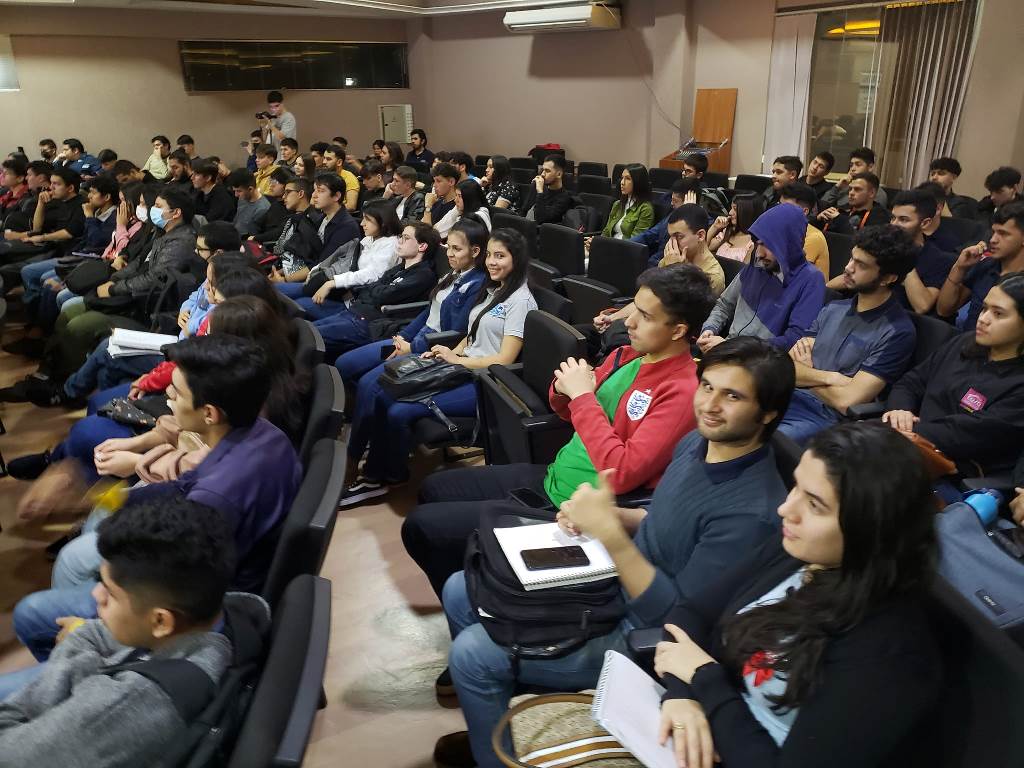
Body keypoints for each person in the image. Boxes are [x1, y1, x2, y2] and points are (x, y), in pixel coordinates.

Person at [435, 336, 796, 768]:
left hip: (640, 632)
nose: (710, 404)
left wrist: (610, 533)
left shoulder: (750, 514)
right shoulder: (698, 444)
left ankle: (493, 736)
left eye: (732, 395)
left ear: (768, 413)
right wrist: (616, 516)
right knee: (461, 586)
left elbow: (676, 619)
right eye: (707, 386)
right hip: (613, 583)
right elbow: (667, 525)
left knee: (472, 656)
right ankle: (492, 718)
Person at [403, 262, 716, 596]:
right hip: (553, 476)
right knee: (434, 488)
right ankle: (487, 583)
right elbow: (566, 408)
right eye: (634, 310)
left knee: (422, 528)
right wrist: (568, 387)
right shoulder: (627, 355)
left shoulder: (681, 391)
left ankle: (485, 599)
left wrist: (582, 395)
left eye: (646, 317)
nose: (630, 321)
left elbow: (622, 471)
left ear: (679, 331)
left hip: (574, 508)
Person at [654, 422, 940, 768]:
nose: (786, 510)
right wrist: (683, 698)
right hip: (687, 732)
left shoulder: (889, 652)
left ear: (871, 528)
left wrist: (704, 680)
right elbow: (690, 614)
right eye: (796, 488)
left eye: (815, 505)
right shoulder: (799, 550)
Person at [10, 334, 302, 661]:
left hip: (208, 614)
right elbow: (182, 486)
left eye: (176, 392)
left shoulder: (215, 498)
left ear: (209, 413)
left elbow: (180, 597)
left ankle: (83, 666)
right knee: (95, 538)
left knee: (32, 612)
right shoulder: (263, 434)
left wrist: (90, 631)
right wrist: (98, 500)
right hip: (215, 570)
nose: (167, 395)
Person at [0, 496, 259, 764]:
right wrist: (83, 641)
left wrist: (76, 659)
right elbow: (96, 633)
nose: (96, 595)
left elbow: (9, 754)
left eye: (109, 594)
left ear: (161, 622)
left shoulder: (121, 708)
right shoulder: (225, 612)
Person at [341, 228, 538, 505]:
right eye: (491, 255)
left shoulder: (521, 301)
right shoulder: (494, 288)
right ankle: (380, 467)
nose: (493, 262)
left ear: (516, 260)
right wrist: (449, 351)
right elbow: (472, 334)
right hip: (462, 365)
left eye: (500, 256)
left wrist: (459, 360)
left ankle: (382, 476)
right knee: (386, 392)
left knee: (398, 410)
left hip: (485, 382)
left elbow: (504, 359)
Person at [778, 225, 917, 444]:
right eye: (852, 259)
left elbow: (847, 401)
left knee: (764, 439)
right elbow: (787, 368)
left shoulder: (897, 332)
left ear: (888, 278)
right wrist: (829, 377)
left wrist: (808, 373)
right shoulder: (833, 308)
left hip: (827, 419)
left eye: (860, 265)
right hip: (786, 397)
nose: (848, 268)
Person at [883, 272, 1024, 478]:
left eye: (998, 314)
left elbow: (960, 435)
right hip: (904, 443)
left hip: (950, 473)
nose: (983, 319)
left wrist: (900, 431)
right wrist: (900, 411)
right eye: (984, 309)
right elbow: (910, 383)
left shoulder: (1018, 384)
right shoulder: (964, 343)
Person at [335, 216, 488, 387]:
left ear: (475, 252)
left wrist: (412, 347)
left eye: (457, 249)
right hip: (417, 336)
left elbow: (455, 331)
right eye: (449, 247)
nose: (449, 254)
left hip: (432, 347)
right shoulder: (454, 273)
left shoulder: (477, 284)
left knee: (368, 384)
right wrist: (403, 337)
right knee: (345, 363)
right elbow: (429, 312)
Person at [698, 204, 825, 353]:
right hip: (729, 352)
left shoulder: (810, 280)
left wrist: (732, 347)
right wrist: (709, 329)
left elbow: (794, 340)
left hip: (760, 363)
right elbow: (724, 304)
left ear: (789, 245)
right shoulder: (758, 264)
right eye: (757, 244)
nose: (759, 253)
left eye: (767, 245)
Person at [306, 220, 437, 359]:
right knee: (304, 330)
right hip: (354, 312)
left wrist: (376, 290)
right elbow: (371, 289)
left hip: (368, 323)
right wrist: (377, 290)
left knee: (307, 339)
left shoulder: (423, 275)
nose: (400, 241)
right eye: (401, 236)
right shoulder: (399, 268)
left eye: (406, 238)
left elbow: (384, 296)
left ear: (422, 246)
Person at [595, 204, 726, 344]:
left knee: (612, 340)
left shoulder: (712, 276)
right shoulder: (671, 259)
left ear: (700, 235)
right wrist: (612, 318)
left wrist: (675, 271)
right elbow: (646, 300)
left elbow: (674, 315)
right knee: (588, 332)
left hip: (665, 338)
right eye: (670, 237)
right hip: (643, 323)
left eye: (679, 237)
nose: (672, 244)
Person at [298, 199, 399, 320]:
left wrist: (332, 283)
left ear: (383, 222)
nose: (362, 224)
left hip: (357, 304)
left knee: (300, 304)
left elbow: (372, 274)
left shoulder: (390, 245)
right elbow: (343, 258)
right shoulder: (370, 238)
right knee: (290, 297)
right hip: (343, 293)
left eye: (368, 220)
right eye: (363, 218)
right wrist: (316, 269)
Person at [938, 200, 1024, 331]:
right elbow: (944, 310)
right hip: (967, 344)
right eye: (994, 232)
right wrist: (959, 268)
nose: (992, 240)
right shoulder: (987, 265)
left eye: (1003, 233)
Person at [880, 189, 956, 314]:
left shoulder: (940, 259)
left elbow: (922, 306)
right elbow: (849, 279)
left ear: (925, 223)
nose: (894, 224)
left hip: (902, 321)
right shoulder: (881, 245)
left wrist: (902, 254)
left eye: (903, 220)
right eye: (893, 218)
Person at [778, 182, 829, 277]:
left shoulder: (813, 237)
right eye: (779, 205)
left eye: (786, 207)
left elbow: (791, 274)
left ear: (804, 211)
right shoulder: (781, 229)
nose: (779, 211)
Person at [816, 172, 889, 235]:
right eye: (850, 189)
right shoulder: (841, 209)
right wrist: (818, 221)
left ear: (872, 193)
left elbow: (863, 242)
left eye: (857, 189)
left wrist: (839, 220)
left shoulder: (880, 217)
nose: (851, 193)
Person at [819, 147, 889, 209]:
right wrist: (837, 187)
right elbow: (821, 206)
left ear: (870, 167)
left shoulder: (877, 193)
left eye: (858, 165)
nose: (852, 168)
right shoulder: (845, 187)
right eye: (851, 165)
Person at [601, 163, 654, 239]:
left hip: (624, 248)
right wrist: (596, 242)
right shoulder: (617, 204)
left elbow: (635, 241)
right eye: (622, 178)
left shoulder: (645, 209)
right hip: (609, 245)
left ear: (638, 182)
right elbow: (606, 231)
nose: (622, 182)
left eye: (628, 178)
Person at [707, 194, 764, 262]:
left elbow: (745, 270)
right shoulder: (728, 232)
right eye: (731, 208)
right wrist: (714, 227)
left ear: (747, 213)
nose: (730, 213)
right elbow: (704, 249)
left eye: (735, 209)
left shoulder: (754, 243)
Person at [518, 154, 572, 224]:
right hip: (526, 227)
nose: (542, 174)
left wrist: (540, 192)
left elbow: (541, 220)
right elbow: (524, 211)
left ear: (559, 174)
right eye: (542, 170)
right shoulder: (537, 186)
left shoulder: (564, 198)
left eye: (547, 171)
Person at [226, 168, 270, 238]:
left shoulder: (262, 209)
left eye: (239, 191)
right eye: (235, 191)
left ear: (250, 189)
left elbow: (252, 237)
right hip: (233, 234)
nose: (236, 195)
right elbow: (237, 223)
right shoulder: (243, 198)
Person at [422, 162, 460, 238]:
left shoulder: (457, 207)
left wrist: (428, 207)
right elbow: (420, 229)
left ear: (451, 182)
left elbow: (427, 235)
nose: (434, 185)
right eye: (434, 181)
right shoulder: (436, 202)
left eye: (438, 181)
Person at [321, 144, 360, 211]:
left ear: (339, 162)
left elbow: (351, 206)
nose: (324, 162)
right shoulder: (323, 176)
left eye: (328, 159)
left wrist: (328, 207)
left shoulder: (349, 178)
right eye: (324, 158)